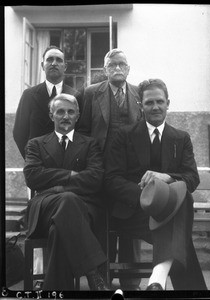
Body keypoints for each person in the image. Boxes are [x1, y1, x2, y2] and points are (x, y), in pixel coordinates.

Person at [104, 79, 207, 290]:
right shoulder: (123, 136)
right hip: (133, 213)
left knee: (182, 199)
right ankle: (167, 281)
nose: (155, 107)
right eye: (149, 102)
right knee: (180, 230)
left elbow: (192, 178)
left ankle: (156, 281)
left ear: (168, 103)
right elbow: (112, 179)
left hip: (168, 211)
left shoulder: (181, 138)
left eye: (160, 101)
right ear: (140, 105)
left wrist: (166, 177)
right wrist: (146, 197)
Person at [23, 93, 109, 291]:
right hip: (44, 207)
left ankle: (54, 291)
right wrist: (70, 174)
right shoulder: (36, 144)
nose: (65, 116)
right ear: (51, 115)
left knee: (59, 229)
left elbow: (95, 179)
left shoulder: (90, 144)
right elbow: (33, 176)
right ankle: (93, 272)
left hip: (82, 208)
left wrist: (56, 185)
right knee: (68, 199)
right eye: (60, 111)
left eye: (71, 112)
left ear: (77, 116)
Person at [78, 48, 143, 290]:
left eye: (121, 64)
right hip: (101, 171)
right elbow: (83, 131)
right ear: (104, 69)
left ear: (128, 68)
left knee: (131, 226)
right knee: (103, 227)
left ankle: (131, 282)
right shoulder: (91, 93)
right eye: (112, 65)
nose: (117, 68)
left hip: (131, 174)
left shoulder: (139, 93)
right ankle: (103, 280)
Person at [13, 45, 83, 159]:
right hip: (37, 163)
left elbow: (80, 132)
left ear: (65, 66)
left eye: (59, 60)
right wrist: (31, 158)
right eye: (49, 59)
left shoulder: (76, 96)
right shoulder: (29, 95)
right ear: (42, 66)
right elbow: (19, 132)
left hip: (66, 164)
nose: (54, 63)